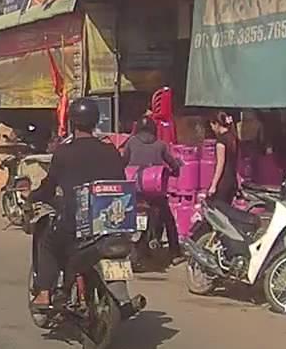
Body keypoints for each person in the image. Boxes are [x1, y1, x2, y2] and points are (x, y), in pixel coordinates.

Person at [28, 98, 127, 309]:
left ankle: (44, 293)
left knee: (47, 242)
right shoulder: (111, 150)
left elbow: (49, 186)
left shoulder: (64, 152)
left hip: (76, 223)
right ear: (96, 121)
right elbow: (121, 181)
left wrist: (34, 196)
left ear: (72, 122)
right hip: (111, 221)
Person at [122, 118, 183, 264]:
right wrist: (175, 171)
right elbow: (173, 165)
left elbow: (123, 161)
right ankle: (175, 253)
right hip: (154, 191)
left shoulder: (131, 142)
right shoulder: (160, 145)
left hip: (135, 190)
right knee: (168, 220)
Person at [208, 111, 238, 204]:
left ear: (217, 124)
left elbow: (220, 165)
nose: (212, 129)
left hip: (223, 181)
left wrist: (213, 185)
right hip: (232, 180)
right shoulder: (233, 138)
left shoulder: (221, 142)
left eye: (212, 126)